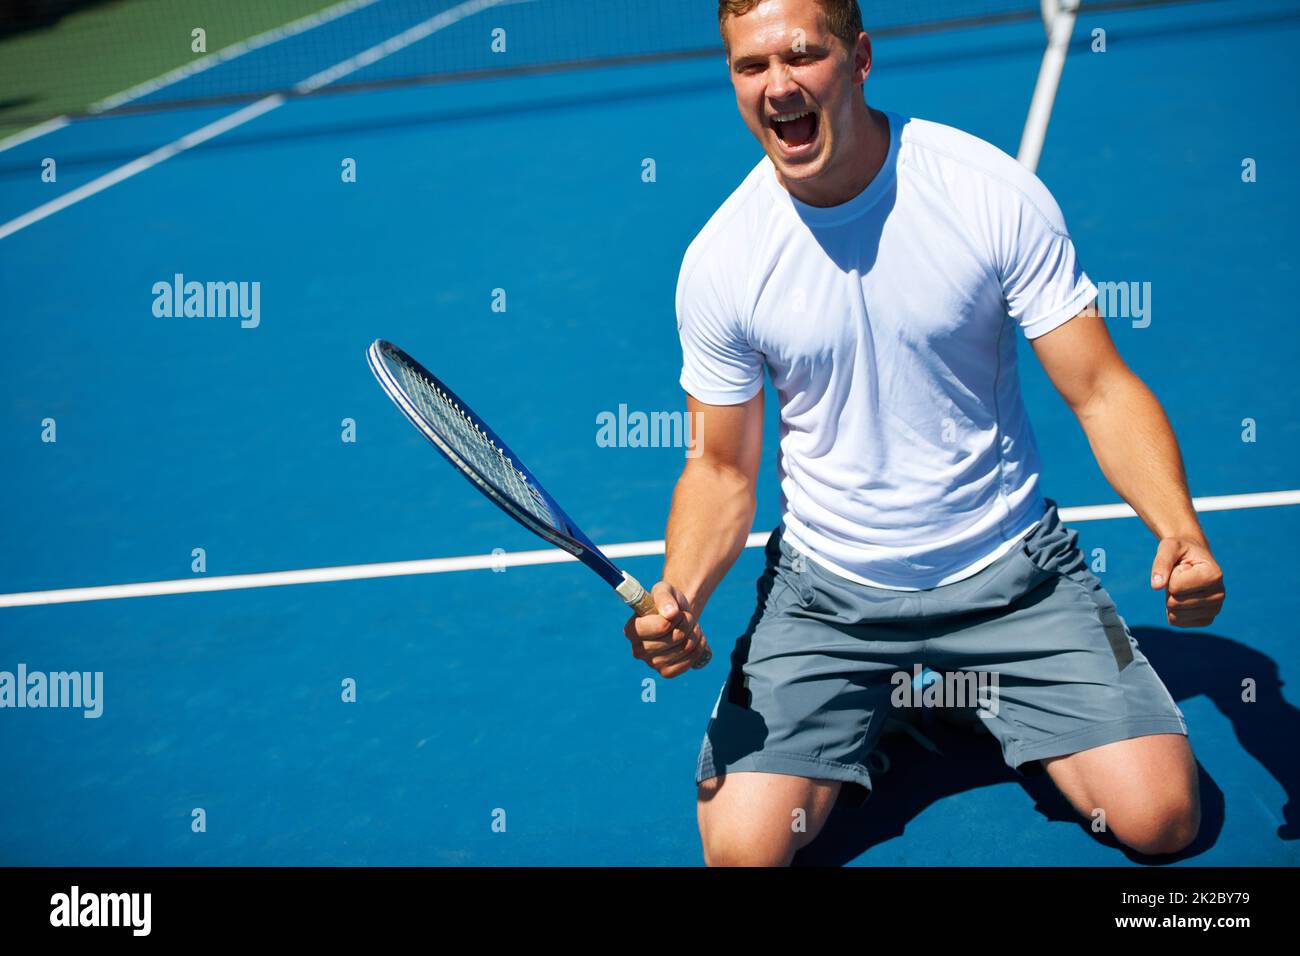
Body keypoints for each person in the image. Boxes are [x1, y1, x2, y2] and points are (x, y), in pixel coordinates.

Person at [623, 0, 1226, 866]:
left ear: (859, 57)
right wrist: (681, 590)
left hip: (1012, 573)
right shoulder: (722, 259)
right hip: (829, 598)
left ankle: (927, 695)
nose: (778, 85)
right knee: (744, 855)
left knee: (1160, 822)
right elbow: (720, 470)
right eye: (751, 67)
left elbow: (1100, 387)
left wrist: (1180, 531)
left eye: (802, 55)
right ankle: (895, 695)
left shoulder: (984, 192)